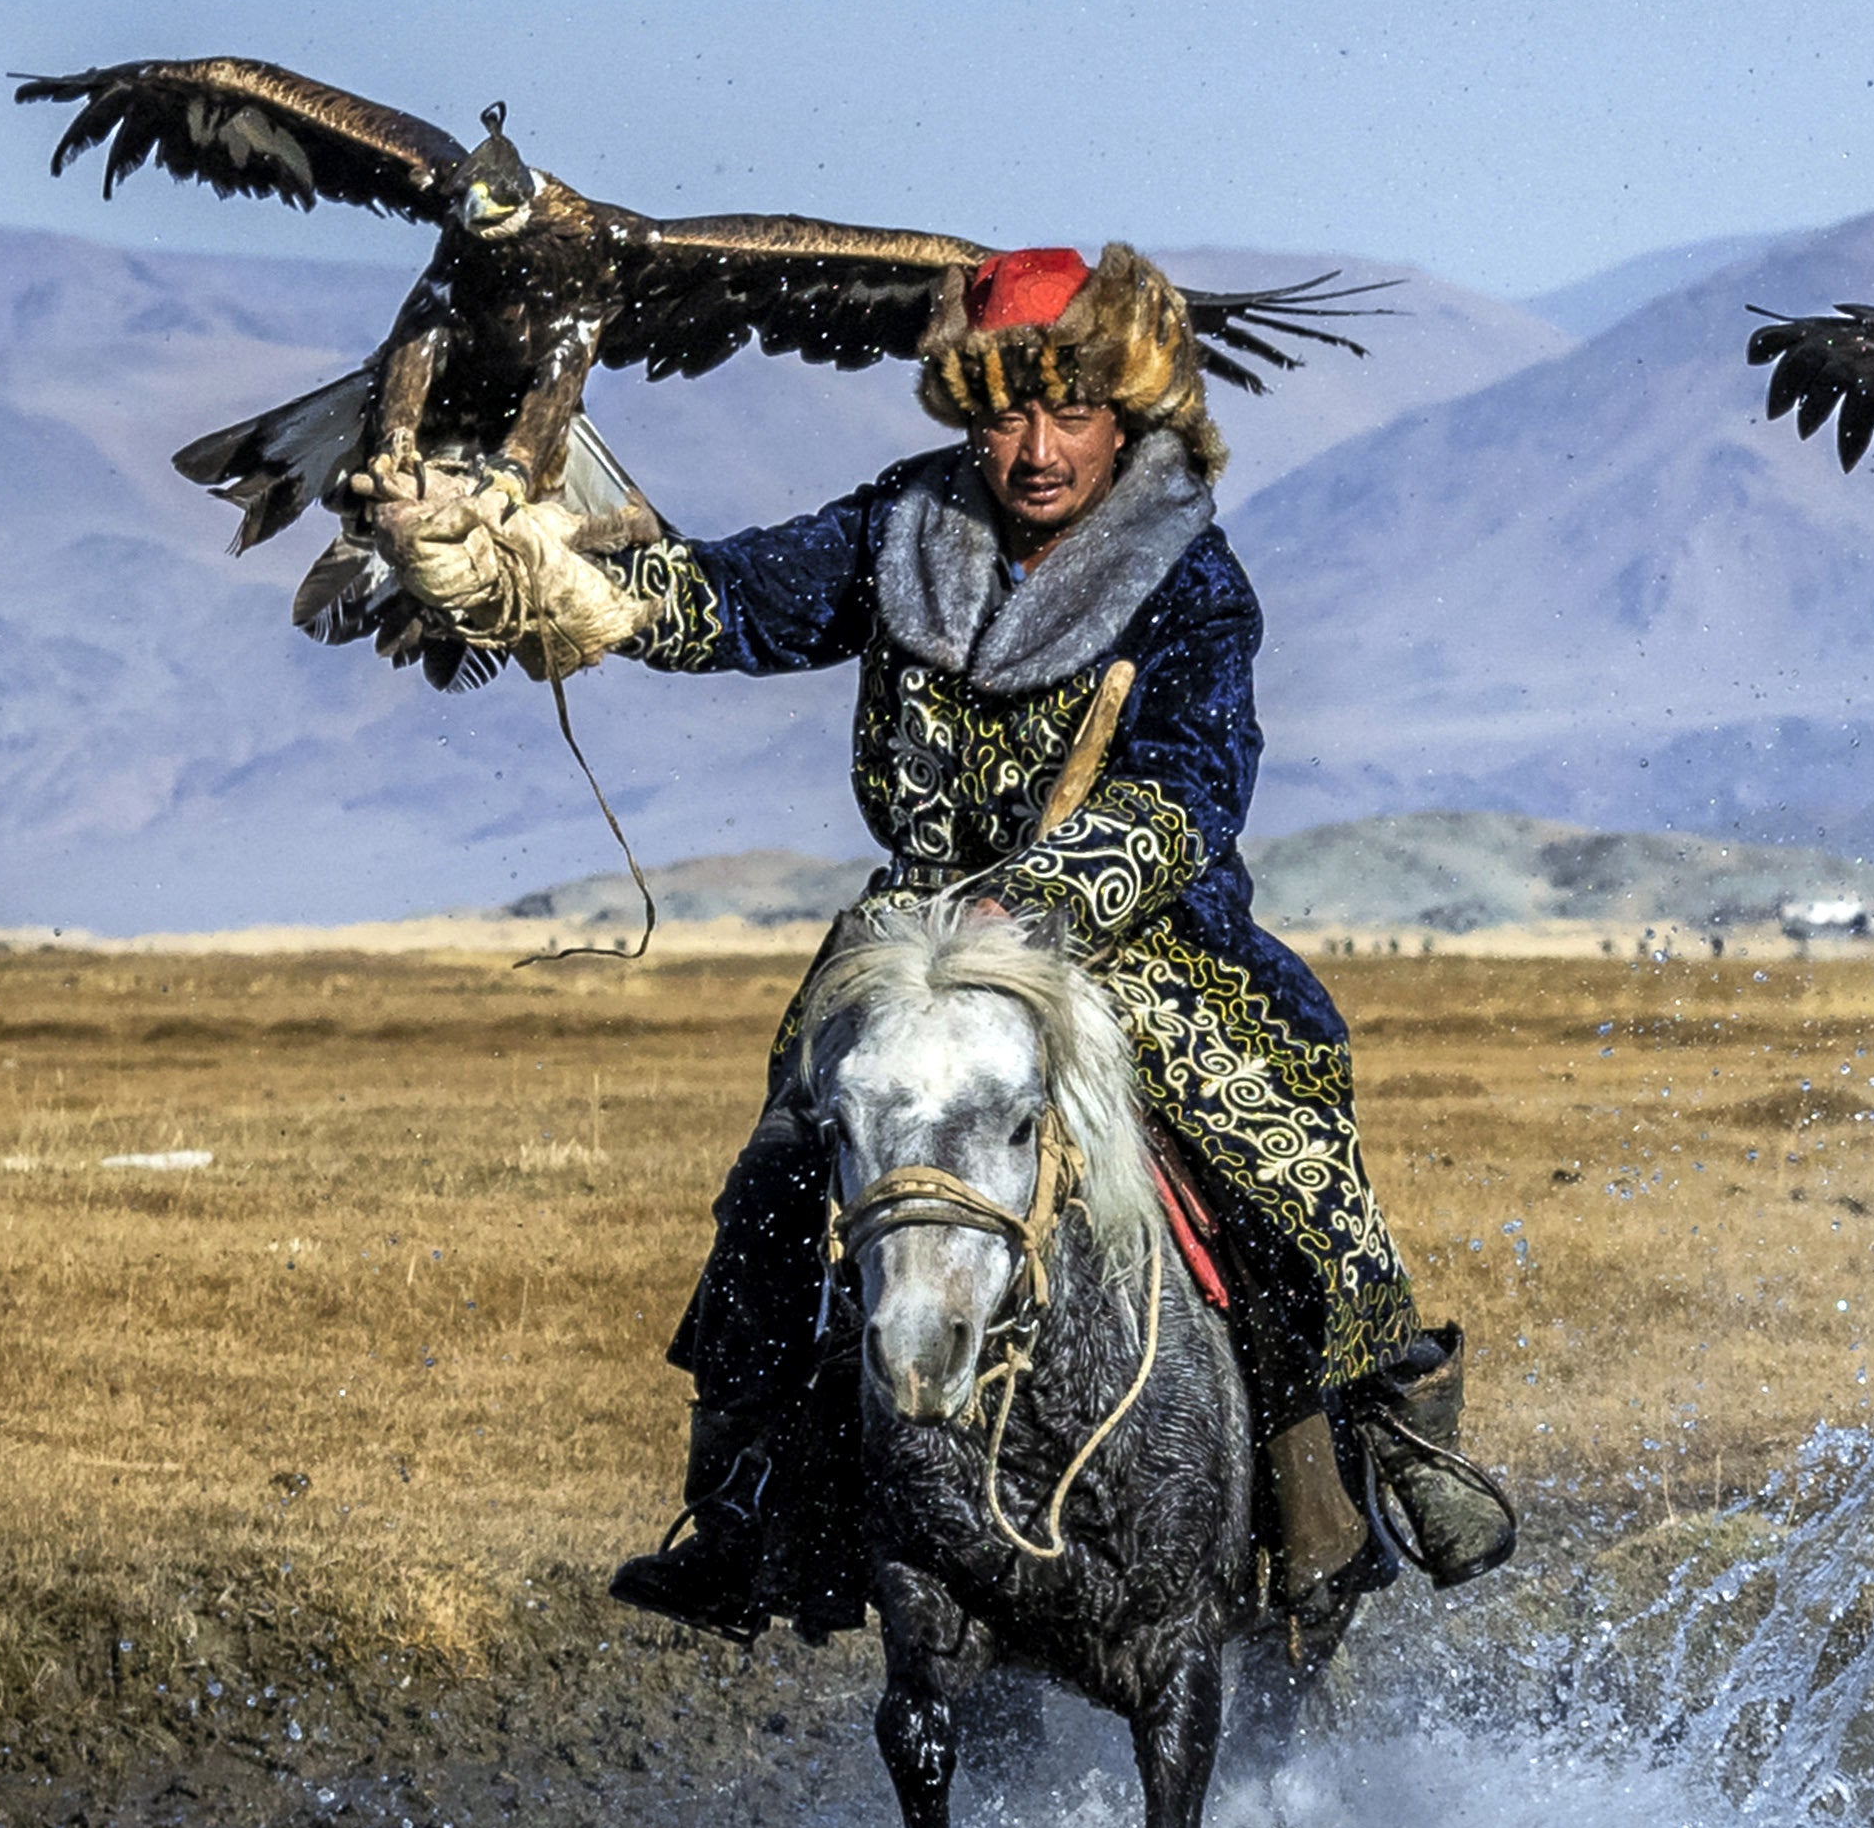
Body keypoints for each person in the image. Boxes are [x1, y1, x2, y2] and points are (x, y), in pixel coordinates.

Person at [378, 243, 1514, 1634]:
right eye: (1002, 415)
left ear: (1128, 413)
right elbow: (735, 597)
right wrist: (559, 588)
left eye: (1069, 413)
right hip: (912, 936)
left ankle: (1373, 1441)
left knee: (1272, 1148)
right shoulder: (901, 529)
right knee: (783, 1180)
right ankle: (742, 1501)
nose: (1034, 450)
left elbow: (1192, 790)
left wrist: (1039, 899)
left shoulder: (1192, 581)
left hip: (1126, 939)